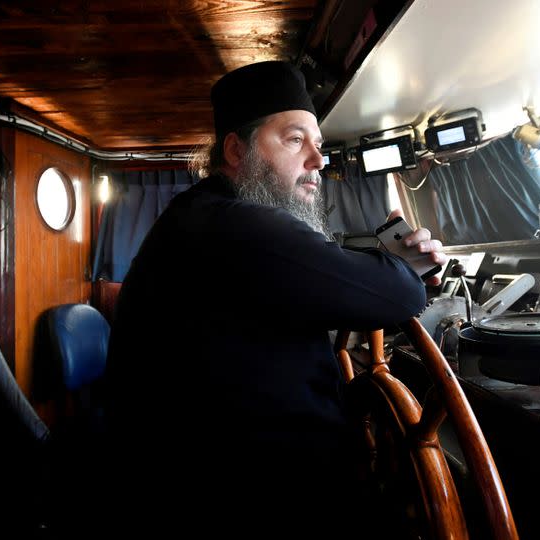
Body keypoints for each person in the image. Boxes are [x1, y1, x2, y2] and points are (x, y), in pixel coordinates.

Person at [104, 61, 446, 522]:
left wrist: (395, 267)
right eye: (294, 139)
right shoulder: (231, 223)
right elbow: (396, 298)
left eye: (319, 145)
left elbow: (335, 276)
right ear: (236, 150)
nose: (318, 160)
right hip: (228, 488)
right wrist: (405, 267)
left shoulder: (207, 213)